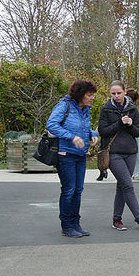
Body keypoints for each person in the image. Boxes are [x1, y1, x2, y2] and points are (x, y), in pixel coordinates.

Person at [97, 81, 139, 232]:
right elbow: (103, 131)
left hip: (131, 152)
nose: (116, 96)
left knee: (122, 187)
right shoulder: (106, 108)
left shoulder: (132, 109)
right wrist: (120, 123)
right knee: (127, 185)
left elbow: (138, 132)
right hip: (114, 153)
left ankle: (116, 219)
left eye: (119, 93)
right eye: (113, 93)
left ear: (125, 92)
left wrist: (130, 124)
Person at [46, 80, 100, 237]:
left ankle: (76, 223)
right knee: (69, 190)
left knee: (78, 190)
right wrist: (71, 137)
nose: (92, 98)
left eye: (93, 95)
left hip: (80, 154)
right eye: (89, 95)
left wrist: (92, 134)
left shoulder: (85, 109)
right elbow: (52, 124)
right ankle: (67, 225)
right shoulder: (64, 105)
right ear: (80, 94)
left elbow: (83, 126)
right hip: (65, 154)